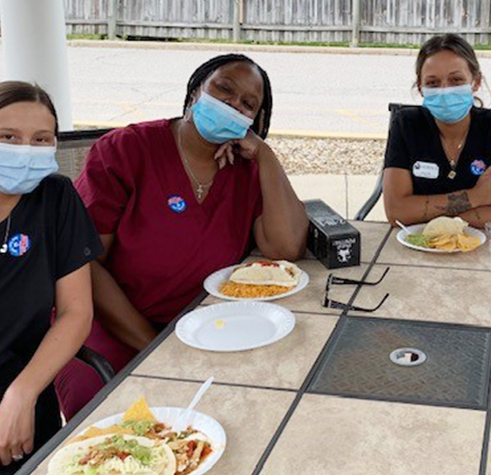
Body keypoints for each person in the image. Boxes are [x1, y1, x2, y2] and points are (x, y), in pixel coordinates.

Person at [55, 53, 309, 420]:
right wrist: (153, 344)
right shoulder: (126, 150)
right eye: (223, 89)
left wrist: (266, 156)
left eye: (247, 104)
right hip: (107, 325)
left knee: (244, 410)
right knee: (109, 426)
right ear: (194, 94)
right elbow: (83, 263)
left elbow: (286, 247)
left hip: (203, 326)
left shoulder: (245, 171)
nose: (232, 104)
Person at [0, 82, 100, 475]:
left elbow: (76, 312)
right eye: (8, 137)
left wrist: (20, 395)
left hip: (30, 426)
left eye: (41, 140)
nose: (26, 150)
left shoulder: (55, 198)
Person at [382, 33, 491, 229]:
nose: (445, 90)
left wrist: (424, 212)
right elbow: (396, 212)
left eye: (456, 80)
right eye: (433, 83)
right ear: (421, 88)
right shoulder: (407, 124)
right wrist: (476, 197)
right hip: (418, 245)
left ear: (476, 82)